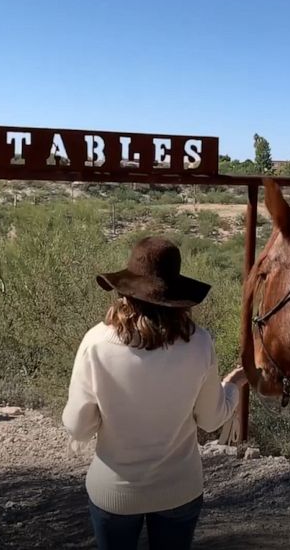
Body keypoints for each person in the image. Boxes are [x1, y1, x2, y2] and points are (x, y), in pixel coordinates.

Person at [62, 236, 247, 550]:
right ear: (176, 294)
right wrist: (234, 383)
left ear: (125, 290)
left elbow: (78, 427)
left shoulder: (96, 343)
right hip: (179, 488)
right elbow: (211, 418)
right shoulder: (200, 344)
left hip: (115, 492)